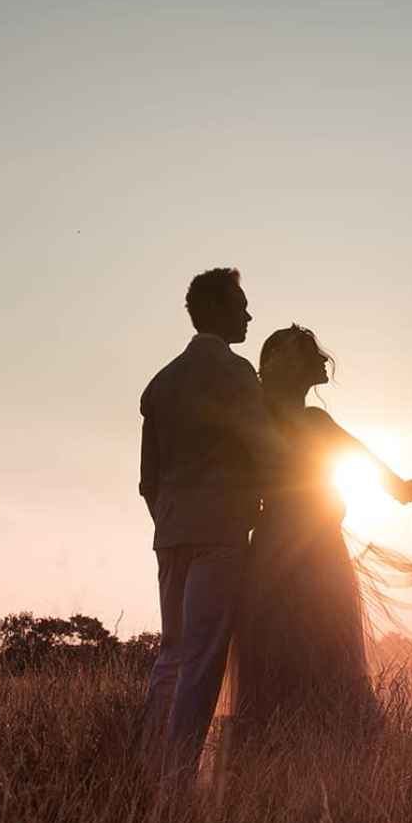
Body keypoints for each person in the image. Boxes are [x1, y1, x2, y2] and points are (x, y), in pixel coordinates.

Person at [224, 324, 412, 755]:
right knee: (318, 649)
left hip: (280, 549)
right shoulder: (292, 420)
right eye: (311, 352)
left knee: (296, 652)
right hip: (300, 552)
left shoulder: (279, 419)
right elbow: (362, 459)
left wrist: (398, 488)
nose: (323, 360)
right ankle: (328, 755)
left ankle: (284, 760)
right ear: (286, 363)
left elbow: (360, 458)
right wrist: (397, 487)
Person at [138, 268, 283, 781]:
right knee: (204, 659)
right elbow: (265, 449)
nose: (248, 315)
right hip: (220, 534)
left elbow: (147, 480)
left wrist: (172, 520)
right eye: (241, 305)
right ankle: (177, 777)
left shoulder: (159, 383)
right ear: (219, 309)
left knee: (172, 654)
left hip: (170, 533)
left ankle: (148, 767)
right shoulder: (236, 373)